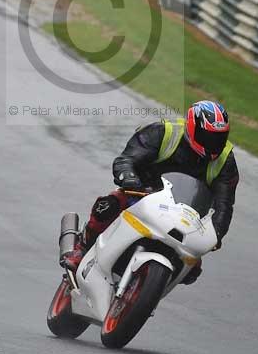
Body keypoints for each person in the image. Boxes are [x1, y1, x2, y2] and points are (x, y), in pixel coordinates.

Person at [62, 100, 239, 285]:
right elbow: (126, 159)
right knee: (107, 206)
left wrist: (217, 233)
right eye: (208, 137)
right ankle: (81, 250)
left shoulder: (226, 161)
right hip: (142, 196)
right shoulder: (163, 133)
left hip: (186, 215)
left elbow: (225, 204)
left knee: (192, 271)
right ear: (192, 128)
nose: (214, 143)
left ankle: (146, 293)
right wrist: (130, 180)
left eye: (219, 137)